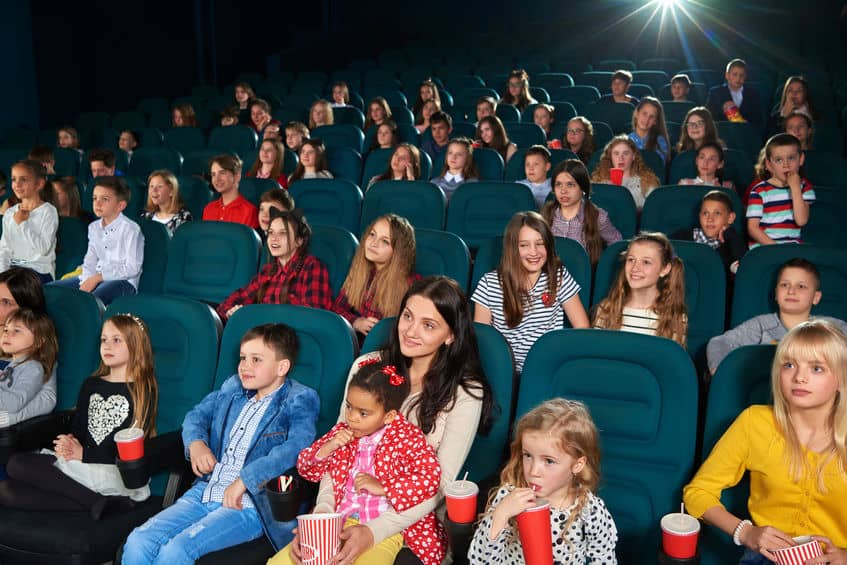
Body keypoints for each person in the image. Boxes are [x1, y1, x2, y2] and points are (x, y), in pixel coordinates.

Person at [288, 276, 495, 565]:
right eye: (408, 316)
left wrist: (372, 532)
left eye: (429, 325)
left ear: (450, 336)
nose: (410, 331)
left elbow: (439, 485)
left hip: (414, 526)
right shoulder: (367, 367)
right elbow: (340, 450)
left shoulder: (465, 392)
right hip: (348, 508)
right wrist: (324, 514)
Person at [122, 323, 320, 564]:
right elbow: (196, 416)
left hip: (249, 504)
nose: (245, 366)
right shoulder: (232, 387)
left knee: (175, 551)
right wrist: (196, 443)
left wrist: (245, 480)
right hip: (206, 490)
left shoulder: (299, 398)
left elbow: (296, 447)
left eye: (256, 359)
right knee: (139, 540)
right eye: (243, 358)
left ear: (282, 367)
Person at [684, 320, 847, 562]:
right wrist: (745, 531)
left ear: (841, 380)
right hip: (765, 558)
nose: (799, 377)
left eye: (816, 368)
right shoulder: (754, 422)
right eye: (789, 365)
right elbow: (697, 492)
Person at [270, 360, 446, 565]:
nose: (352, 417)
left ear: (389, 416)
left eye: (363, 413)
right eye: (349, 407)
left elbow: (430, 478)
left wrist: (384, 487)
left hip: (382, 530)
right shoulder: (341, 432)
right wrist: (329, 447)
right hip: (338, 521)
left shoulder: (408, 438)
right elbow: (306, 469)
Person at [0, 314, 158, 517]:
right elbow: (79, 430)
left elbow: (131, 450)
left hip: (114, 471)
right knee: (12, 474)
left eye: (116, 340)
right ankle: (97, 502)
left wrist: (83, 454)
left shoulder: (143, 390)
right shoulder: (91, 384)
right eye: (103, 340)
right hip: (81, 465)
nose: (107, 346)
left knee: (15, 482)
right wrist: (69, 442)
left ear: (136, 346)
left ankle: (93, 500)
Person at [468, 398, 618, 564]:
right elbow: (480, 560)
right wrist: (501, 514)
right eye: (528, 456)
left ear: (577, 465)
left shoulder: (590, 509)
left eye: (548, 461)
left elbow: (604, 558)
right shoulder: (509, 497)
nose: (533, 472)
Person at [473, 211, 589, 372]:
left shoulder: (558, 276)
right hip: (503, 370)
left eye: (540, 244)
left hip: (546, 367)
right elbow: (482, 339)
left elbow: (582, 329)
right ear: (512, 248)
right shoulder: (489, 283)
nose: (534, 252)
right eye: (524, 245)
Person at [706, 258, 847, 373]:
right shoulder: (761, 326)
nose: (791, 291)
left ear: (816, 297)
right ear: (776, 293)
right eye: (785, 285)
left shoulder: (833, 328)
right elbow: (719, 343)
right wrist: (721, 372)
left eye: (801, 286)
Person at [216, 209, 331, 322]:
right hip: (264, 333)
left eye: (283, 233)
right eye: (271, 232)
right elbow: (233, 300)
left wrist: (258, 315)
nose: (274, 238)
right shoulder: (268, 271)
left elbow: (313, 317)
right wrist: (231, 311)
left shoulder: (312, 267)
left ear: (299, 240)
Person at [50, 177, 144, 304]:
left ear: (120, 205)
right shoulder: (93, 227)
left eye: (104, 199)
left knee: (90, 301)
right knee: (50, 290)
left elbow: (132, 269)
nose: (97, 203)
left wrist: (97, 278)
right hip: (95, 276)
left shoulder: (131, 230)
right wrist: (86, 281)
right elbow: (90, 260)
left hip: (123, 281)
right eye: (95, 198)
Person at [592, 232, 687, 347]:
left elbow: (670, 363)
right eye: (631, 259)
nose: (635, 268)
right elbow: (597, 353)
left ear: (665, 269)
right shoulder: (607, 309)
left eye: (646, 262)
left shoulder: (674, 317)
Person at [332, 214, 417, 340]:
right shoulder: (359, 272)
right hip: (358, 343)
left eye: (385, 241)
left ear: (398, 252)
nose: (374, 243)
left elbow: (412, 328)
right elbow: (336, 309)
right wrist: (355, 322)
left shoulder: (411, 285)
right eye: (372, 234)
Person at [542, 159, 621, 266]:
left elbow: (617, 246)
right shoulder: (546, 213)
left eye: (570, 185)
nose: (563, 191)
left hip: (583, 278)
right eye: (558, 184)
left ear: (582, 187)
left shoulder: (597, 216)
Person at [747, 133, 814, 247]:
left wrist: (796, 188)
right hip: (764, 246)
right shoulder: (759, 191)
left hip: (792, 246)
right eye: (778, 160)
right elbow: (753, 228)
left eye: (791, 158)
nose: (786, 165)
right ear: (768, 164)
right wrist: (776, 249)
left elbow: (801, 220)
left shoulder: (804, 188)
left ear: (801, 159)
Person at [0, 160, 59, 282]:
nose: (17, 184)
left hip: (39, 271)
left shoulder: (48, 211)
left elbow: (43, 249)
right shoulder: (10, 213)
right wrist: (2, 275)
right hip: (14, 270)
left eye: (24, 179)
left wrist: (23, 224)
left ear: (39, 184)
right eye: (14, 179)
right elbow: (4, 249)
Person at [0, 308, 58, 428]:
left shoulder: (33, 368)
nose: (6, 334)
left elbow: (13, 404)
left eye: (17, 330)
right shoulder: (15, 364)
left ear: (38, 341)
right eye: (6, 329)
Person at [672, 190, 745, 277]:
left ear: (730, 218)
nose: (710, 219)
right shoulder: (682, 237)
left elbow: (745, 270)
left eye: (717, 213)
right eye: (705, 213)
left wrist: (731, 235)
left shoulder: (732, 245)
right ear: (699, 216)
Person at [591, 136, 660, 210]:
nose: (621, 158)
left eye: (626, 153)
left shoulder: (647, 181)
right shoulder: (599, 181)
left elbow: (655, 209)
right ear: (610, 157)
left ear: (633, 156)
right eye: (616, 153)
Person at [202, 154, 259, 228]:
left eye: (222, 173)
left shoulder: (249, 211)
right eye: (213, 174)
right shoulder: (208, 209)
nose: (217, 179)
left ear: (237, 176)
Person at [706, 58, 763, 130]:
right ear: (727, 75)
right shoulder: (715, 93)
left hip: (746, 134)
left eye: (741, 75)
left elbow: (758, 121)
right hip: (723, 134)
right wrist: (723, 110)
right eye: (735, 74)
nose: (738, 78)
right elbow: (709, 118)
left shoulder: (753, 94)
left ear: (745, 76)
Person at [139, 169, 193, 237]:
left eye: (159, 186)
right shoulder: (145, 216)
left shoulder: (183, 217)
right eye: (151, 186)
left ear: (171, 191)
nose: (154, 190)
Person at [628, 97, 670, 164]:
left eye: (652, 116)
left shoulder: (660, 142)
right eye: (644, 113)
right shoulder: (626, 140)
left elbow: (658, 168)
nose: (647, 119)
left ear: (655, 121)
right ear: (636, 113)